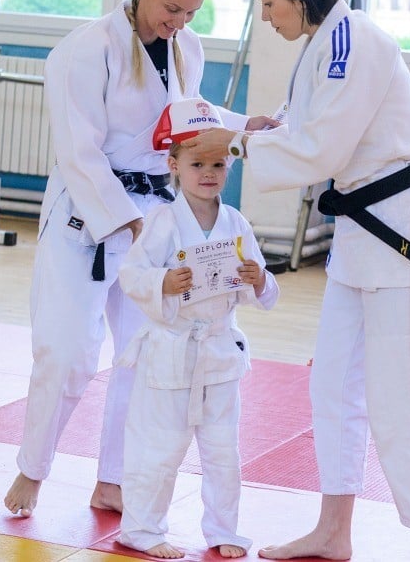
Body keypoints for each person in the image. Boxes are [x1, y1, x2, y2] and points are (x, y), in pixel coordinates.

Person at [187, 0, 410, 562]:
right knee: (332, 388)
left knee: (405, 395)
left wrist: (237, 145)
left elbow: (322, 151)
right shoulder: (323, 45)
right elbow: (301, 127)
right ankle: (335, 531)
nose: (267, 15)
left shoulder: (354, 41)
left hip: (401, 239)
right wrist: (241, 126)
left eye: (270, 2)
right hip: (362, 241)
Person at [2, 0, 272, 518]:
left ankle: (114, 480)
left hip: (153, 215)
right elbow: (78, 151)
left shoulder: (186, 49)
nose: (178, 22)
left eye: (191, 13)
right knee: (68, 352)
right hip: (87, 216)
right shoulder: (85, 49)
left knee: (144, 355)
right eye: (171, 7)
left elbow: (187, 118)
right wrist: (128, 223)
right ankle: (33, 468)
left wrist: (245, 125)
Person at [116, 121, 279, 559]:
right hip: (170, 349)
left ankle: (224, 529)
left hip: (220, 351)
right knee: (159, 447)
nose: (208, 173)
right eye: (196, 164)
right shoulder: (162, 219)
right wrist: (164, 282)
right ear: (174, 166)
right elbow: (131, 274)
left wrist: (257, 279)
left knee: (224, 449)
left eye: (218, 164)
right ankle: (142, 529)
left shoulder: (235, 220)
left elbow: (263, 287)